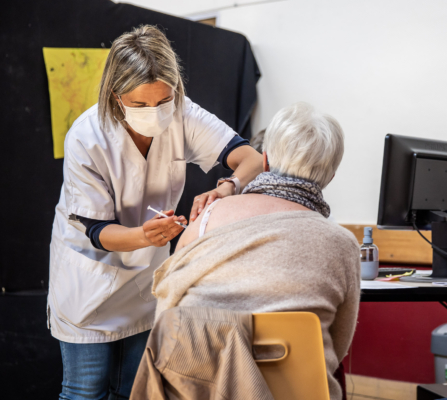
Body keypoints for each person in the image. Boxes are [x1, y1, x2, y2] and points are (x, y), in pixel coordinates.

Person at [48, 25, 263, 400]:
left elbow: (251, 159)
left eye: (163, 102)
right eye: (140, 105)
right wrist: (144, 236)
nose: (156, 113)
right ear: (115, 96)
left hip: (145, 282)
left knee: (134, 391)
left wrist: (227, 186)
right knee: (85, 392)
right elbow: (97, 230)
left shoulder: (182, 113)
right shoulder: (86, 137)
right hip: (89, 279)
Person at [149, 102, 360, 400]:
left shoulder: (207, 217)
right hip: (297, 391)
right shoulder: (342, 244)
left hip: (197, 388)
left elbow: (167, 312)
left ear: (265, 160)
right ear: (331, 175)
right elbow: (337, 347)